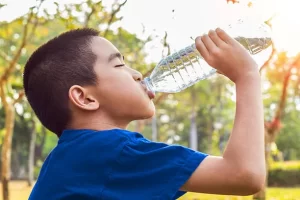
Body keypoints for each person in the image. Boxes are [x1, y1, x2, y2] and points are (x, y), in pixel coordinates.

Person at [23, 27, 265, 200]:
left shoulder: (71, 156)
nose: (137, 73)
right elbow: (244, 175)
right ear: (84, 98)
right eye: (119, 65)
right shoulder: (110, 150)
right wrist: (247, 76)